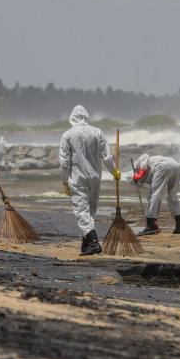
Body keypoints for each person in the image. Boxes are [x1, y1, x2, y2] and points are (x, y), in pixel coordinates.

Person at [59, 105, 121, 256]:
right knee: (90, 210)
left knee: (81, 210)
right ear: (86, 116)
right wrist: (114, 171)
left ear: (72, 117)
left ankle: (93, 242)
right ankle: (86, 242)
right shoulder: (97, 132)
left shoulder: (67, 135)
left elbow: (64, 162)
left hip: (77, 177)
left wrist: (65, 181)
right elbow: (106, 156)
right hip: (95, 176)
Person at [128, 154, 180, 236]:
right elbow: (158, 198)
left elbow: (145, 157)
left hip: (163, 165)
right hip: (177, 166)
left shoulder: (136, 168)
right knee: (172, 194)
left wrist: (140, 174)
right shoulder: (148, 177)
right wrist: (155, 221)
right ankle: (179, 227)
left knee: (153, 195)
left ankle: (149, 227)